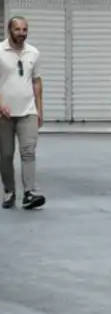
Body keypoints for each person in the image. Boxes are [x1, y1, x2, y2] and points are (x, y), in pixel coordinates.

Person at [0, 16, 46, 209]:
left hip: (28, 111)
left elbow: (36, 81)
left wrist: (39, 109)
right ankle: (9, 191)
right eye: (18, 29)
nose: (22, 33)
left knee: (28, 151)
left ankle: (29, 193)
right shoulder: (0, 51)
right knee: (6, 154)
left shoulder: (33, 52)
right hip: (4, 114)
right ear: (9, 30)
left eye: (25, 29)